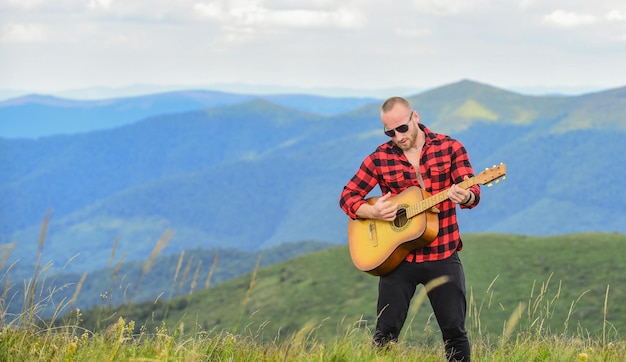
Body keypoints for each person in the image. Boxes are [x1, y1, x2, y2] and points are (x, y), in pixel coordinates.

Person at [339, 96, 480, 361]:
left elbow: (472, 190)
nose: (398, 136)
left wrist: (467, 196)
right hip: (397, 257)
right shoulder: (379, 158)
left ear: (415, 117)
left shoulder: (450, 148)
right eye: (389, 132)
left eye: (402, 128)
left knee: (454, 332)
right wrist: (372, 211)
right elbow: (348, 196)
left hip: (442, 254)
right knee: (385, 333)